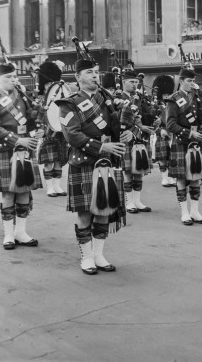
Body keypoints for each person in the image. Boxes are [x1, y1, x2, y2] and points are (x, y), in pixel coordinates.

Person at [55, 57, 127, 274]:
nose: (95, 76)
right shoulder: (69, 104)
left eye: (96, 72)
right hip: (85, 163)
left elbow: (118, 127)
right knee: (85, 213)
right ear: (78, 77)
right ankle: (86, 257)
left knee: (104, 210)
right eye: (89, 72)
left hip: (105, 164)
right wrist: (101, 147)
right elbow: (72, 136)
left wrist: (128, 131)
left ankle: (98, 255)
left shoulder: (108, 99)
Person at [0, 63, 43, 250]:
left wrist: (38, 129)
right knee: (8, 193)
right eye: (8, 77)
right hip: (6, 148)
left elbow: (31, 119)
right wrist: (17, 140)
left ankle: (20, 232)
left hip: (25, 147)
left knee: (23, 190)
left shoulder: (23, 97)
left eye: (14, 77)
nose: (13, 80)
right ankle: (8, 234)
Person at [165, 65, 202, 226]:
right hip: (182, 143)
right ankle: (184, 213)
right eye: (189, 81)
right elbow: (170, 125)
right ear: (181, 81)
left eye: (193, 81)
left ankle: (195, 212)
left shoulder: (197, 97)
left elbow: (201, 119)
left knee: (197, 178)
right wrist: (190, 134)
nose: (192, 84)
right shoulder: (173, 99)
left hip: (196, 144)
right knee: (182, 179)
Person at [119, 69, 153, 214]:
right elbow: (118, 120)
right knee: (128, 171)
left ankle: (137, 201)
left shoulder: (139, 98)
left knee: (138, 169)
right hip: (126, 137)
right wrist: (138, 127)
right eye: (131, 82)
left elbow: (145, 115)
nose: (134, 85)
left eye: (136, 82)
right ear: (123, 82)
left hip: (140, 138)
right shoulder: (117, 97)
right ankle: (129, 201)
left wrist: (153, 121)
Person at [36, 61, 68, 197]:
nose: (50, 86)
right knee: (49, 161)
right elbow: (38, 115)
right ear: (45, 84)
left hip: (60, 131)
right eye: (48, 84)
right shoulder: (40, 99)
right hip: (48, 133)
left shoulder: (61, 93)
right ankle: (50, 187)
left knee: (58, 161)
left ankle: (57, 186)